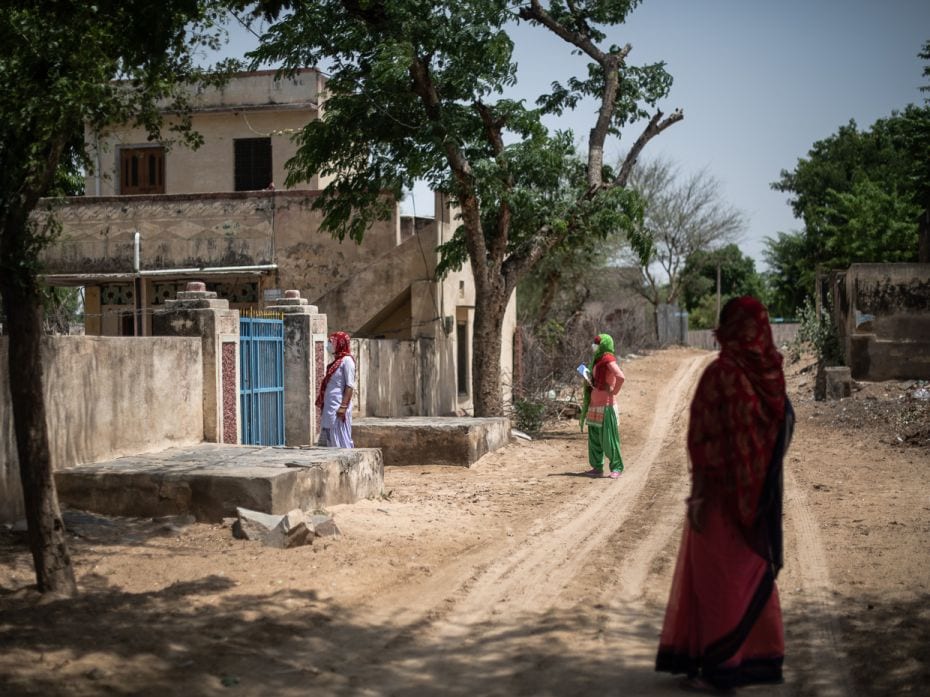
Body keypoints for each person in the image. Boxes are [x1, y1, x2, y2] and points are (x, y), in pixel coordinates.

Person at [655, 297, 795, 692]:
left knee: (717, 580)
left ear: (726, 329)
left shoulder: (721, 374)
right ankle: (757, 657)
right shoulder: (773, 376)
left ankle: (721, 669)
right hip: (758, 502)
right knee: (748, 574)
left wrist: (699, 496)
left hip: (720, 500)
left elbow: (701, 440)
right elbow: (781, 433)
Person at [579, 333, 625, 479]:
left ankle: (616, 467)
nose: (594, 346)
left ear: (604, 345)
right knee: (595, 439)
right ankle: (597, 468)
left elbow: (621, 377)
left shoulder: (608, 360)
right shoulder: (597, 360)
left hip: (606, 406)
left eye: (597, 343)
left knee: (609, 439)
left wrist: (613, 391)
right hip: (594, 406)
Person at [315, 331, 355, 448]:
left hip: (339, 406)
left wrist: (343, 406)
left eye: (331, 342)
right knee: (329, 436)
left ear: (340, 343)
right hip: (330, 405)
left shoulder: (347, 361)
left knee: (340, 436)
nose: (328, 345)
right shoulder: (337, 361)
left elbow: (349, 385)